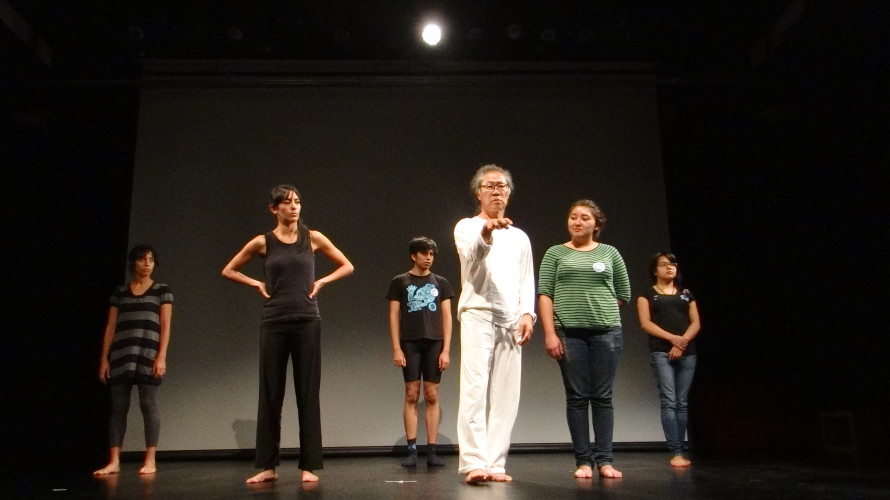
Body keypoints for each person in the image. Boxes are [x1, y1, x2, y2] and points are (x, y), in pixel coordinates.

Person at [222, 184, 354, 484]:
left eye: (297, 202)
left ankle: (309, 466)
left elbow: (347, 266)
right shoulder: (262, 242)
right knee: (270, 393)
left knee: (308, 393)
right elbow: (229, 270)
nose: (294, 207)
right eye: (286, 203)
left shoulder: (313, 238)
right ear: (274, 209)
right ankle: (267, 466)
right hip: (274, 322)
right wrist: (256, 284)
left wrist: (321, 282)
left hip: (307, 321)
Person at [453, 164, 536, 484]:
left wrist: (527, 313)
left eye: (502, 186)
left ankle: (496, 463)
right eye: (490, 186)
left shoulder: (520, 237)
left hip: (511, 319)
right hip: (478, 313)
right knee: (475, 389)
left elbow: (526, 277)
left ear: (509, 193)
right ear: (478, 193)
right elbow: (472, 254)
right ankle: (473, 461)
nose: (497, 191)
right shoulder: (466, 226)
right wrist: (487, 232)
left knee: (506, 395)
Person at [537, 200, 630, 479]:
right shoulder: (555, 253)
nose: (577, 222)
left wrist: (599, 311)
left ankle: (605, 460)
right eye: (573, 217)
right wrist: (551, 332)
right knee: (577, 397)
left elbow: (623, 293)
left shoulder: (610, 253)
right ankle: (583, 461)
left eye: (585, 218)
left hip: (606, 333)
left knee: (603, 397)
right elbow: (545, 293)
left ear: (596, 225)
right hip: (568, 333)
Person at [94, 244, 173, 476]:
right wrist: (104, 360)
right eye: (142, 260)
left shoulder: (162, 291)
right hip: (121, 355)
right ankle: (114, 461)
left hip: (148, 355)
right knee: (118, 408)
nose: (147, 264)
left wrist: (161, 356)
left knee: (148, 405)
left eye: (151, 260)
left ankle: (150, 460)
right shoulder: (120, 293)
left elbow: (166, 327)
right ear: (133, 263)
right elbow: (110, 327)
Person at [386, 236, 454, 468]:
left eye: (431, 254)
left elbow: (447, 317)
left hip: (434, 342)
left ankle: (432, 451)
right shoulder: (400, 281)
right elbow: (394, 316)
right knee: (412, 394)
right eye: (424, 253)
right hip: (410, 342)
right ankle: (412, 450)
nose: (428, 258)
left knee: (432, 395)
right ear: (414, 255)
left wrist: (446, 349)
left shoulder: (440, 282)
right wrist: (396, 347)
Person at [636, 252, 701, 467]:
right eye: (664, 265)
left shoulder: (686, 293)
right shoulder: (647, 294)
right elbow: (646, 323)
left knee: (682, 402)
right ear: (655, 270)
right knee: (669, 400)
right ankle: (676, 452)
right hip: (661, 351)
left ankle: (682, 450)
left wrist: (681, 343)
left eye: (673, 264)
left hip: (687, 352)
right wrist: (673, 340)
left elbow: (695, 323)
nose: (669, 267)